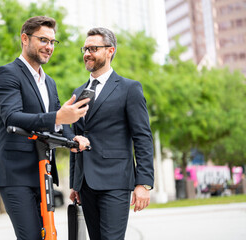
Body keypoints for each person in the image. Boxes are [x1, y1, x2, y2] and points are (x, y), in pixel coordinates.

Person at [0, 16, 90, 240]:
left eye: (52, 42)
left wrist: (74, 139)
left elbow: (59, 120)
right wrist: (58, 117)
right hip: (15, 171)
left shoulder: (49, 82)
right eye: (43, 40)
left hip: (43, 171)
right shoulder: (7, 74)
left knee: (47, 235)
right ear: (25, 39)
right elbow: (11, 117)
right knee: (31, 236)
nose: (49, 47)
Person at [69, 27, 154, 240]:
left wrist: (143, 183)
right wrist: (75, 182)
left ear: (110, 51)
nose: (87, 53)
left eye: (93, 48)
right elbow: (75, 139)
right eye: (85, 48)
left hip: (116, 181)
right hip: (86, 184)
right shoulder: (78, 93)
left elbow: (142, 136)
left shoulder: (129, 88)